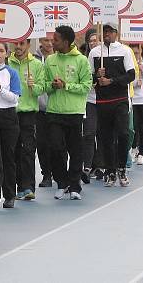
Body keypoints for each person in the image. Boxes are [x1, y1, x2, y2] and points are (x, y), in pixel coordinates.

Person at [45, 26, 92, 200]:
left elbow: (87, 86)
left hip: (74, 112)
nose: (52, 42)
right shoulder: (50, 60)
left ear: (65, 42)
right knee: (56, 148)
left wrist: (66, 85)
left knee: (75, 150)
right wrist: (51, 85)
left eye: (56, 40)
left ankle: (74, 185)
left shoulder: (81, 61)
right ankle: (62, 182)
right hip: (54, 112)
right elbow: (45, 84)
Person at [88, 23, 135, 187]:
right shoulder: (95, 53)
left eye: (110, 31)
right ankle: (110, 170)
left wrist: (112, 81)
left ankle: (121, 167)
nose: (107, 34)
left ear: (116, 33)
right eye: (105, 31)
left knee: (123, 134)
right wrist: (96, 75)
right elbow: (88, 79)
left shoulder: (124, 51)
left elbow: (131, 75)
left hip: (120, 100)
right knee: (105, 138)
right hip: (102, 102)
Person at [0, 42, 21, 210]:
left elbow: (15, 98)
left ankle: (9, 194)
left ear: (7, 54)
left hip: (8, 116)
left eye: (1, 50)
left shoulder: (11, 73)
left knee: (8, 156)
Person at [8, 39, 45, 200]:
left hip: (28, 112)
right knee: (13, 151)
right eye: (16, 44)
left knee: (28, 149)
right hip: (10, 112)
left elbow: (42, 88)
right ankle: (18, 186)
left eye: (22, 44)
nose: (18, 47)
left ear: (28, 45)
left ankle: (29, 187)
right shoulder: (7, 63)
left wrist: (34, 86)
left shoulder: (36, 64)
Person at [80, 29, 101, 182]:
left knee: (102, 133)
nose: (94, 43)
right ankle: (87, 165)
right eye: (91, 40)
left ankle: (99, 165)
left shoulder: (107, 56)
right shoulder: (83, 59)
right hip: (89, 100)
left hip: (104, 101)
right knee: (89, 133)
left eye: (96, 40)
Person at [35, 36, 55, 187]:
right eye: (46, 40)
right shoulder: (35, 60)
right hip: (40, 109)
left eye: (52, 40)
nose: (49, 44)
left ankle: (60, 172)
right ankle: (46, 174)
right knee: (42, 143)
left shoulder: (59, 58)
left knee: (58, 143)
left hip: (57, 108)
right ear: (40, 41)